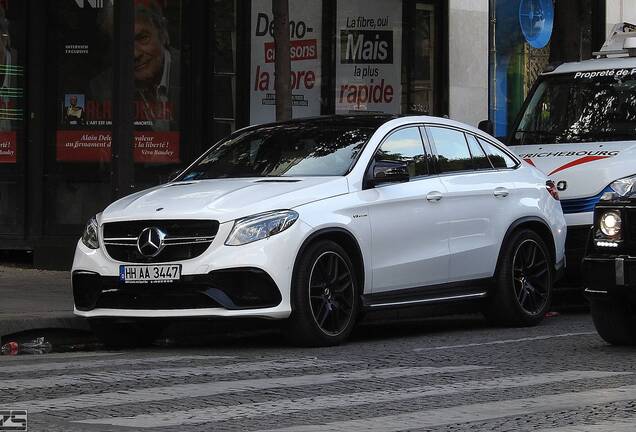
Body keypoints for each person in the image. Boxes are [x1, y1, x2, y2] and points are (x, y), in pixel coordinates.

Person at [89, 0, 180, 131]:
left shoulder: (190, 73)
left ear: (163, 33)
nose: (135, 54)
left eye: (143, 38)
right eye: (123, 44)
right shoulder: (101, 89)